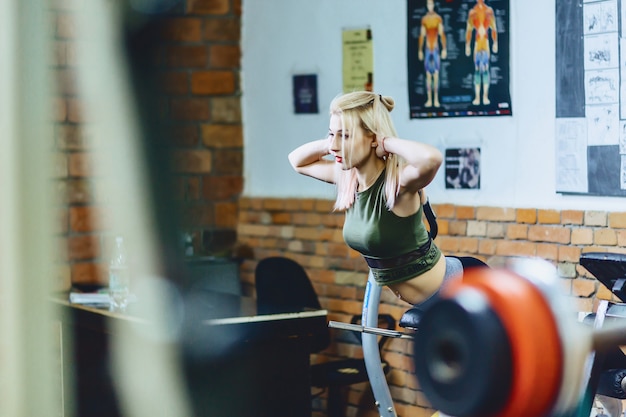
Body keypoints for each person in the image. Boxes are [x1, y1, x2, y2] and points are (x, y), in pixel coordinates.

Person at [288, 91, 464, 318]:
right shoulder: (347, 180)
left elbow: (431, 158)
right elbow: (296, 161)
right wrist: (333, 141)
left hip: (458, 288)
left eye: (346, 136)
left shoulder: (398, 183)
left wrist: (385, 142)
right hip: (431, 302)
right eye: (331, 134)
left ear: (372, 138)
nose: (334, 146)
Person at [465, 0, 498, 106]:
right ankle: (478, 97)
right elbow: (469, 29)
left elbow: (493, 27)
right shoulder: (473, 12)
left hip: (485, 43)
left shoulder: (489, 11)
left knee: (485, 70)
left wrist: (495, 43)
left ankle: (485, 97)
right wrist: (467, 45)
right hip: (478, 43)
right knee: (477, 70)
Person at [418, 0, 447, 108]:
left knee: (436, 75)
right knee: (428, 76)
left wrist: (444, 49)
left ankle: (436, 100)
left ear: (434, 5)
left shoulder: (437, 18)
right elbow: (422, 35)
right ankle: (429, 100)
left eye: (431, 4)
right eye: (428, 4)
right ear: (427, 5)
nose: (430, 6)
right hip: (427, 49)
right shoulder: (424, 19)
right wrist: (420, 50)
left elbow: (442, 34)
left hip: (435, 49)